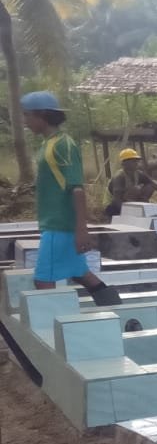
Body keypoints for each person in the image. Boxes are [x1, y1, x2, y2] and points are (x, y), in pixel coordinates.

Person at [18, 92, 121, 306]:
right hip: (55, 223)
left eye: (27, 115)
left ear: (42, 114)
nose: (25, 121)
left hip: (60, 225)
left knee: (43, 280)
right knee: (80, 273)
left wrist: (82, 230)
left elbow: (77, 189)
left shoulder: (63, 145)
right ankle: (116, 309)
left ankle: (54, 323)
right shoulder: (48, 144)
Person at [106, 148, 157, 219]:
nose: (136, 163)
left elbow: (156, 185)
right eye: (133, 161)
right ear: (124, 163)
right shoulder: (119, 177)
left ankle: (142, 205)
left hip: (128, 203)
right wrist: (128, 215)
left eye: (136, 161)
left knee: (150, 185)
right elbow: (117, 200)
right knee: (135, 190)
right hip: (113, 207)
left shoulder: (138, 174)